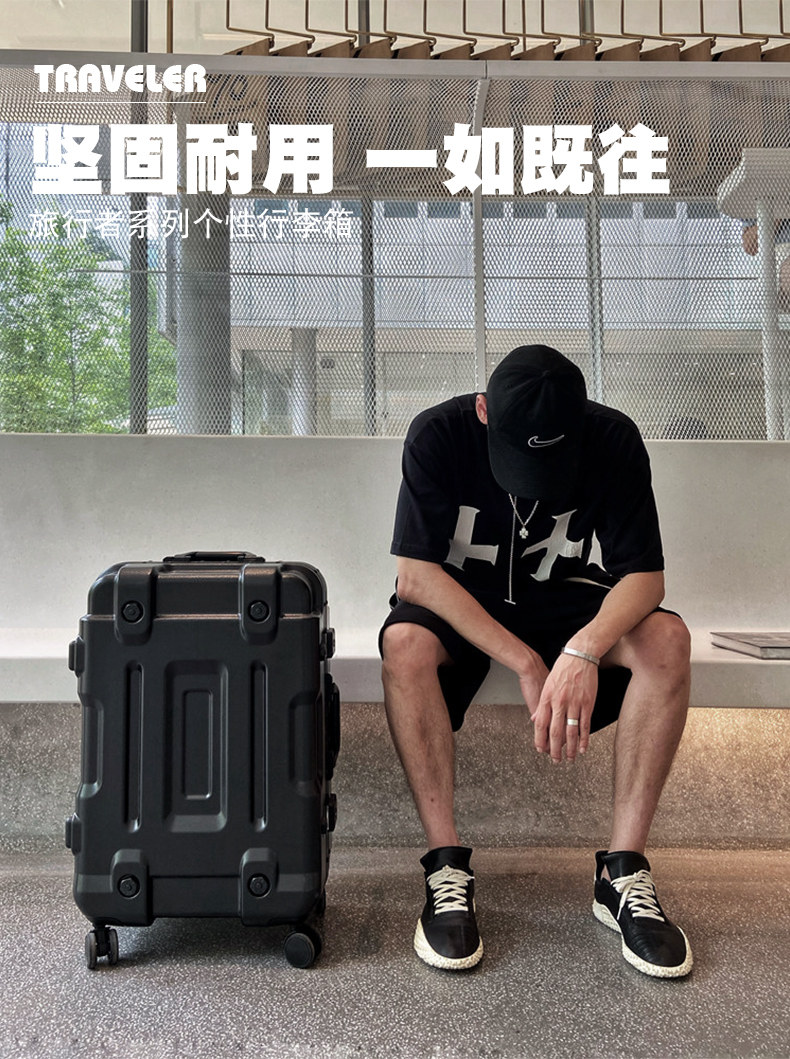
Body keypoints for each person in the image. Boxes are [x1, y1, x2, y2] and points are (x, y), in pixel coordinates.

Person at [379, 344, 693, 979]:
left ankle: (623, 873)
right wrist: (525, 661)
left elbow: (645, 579)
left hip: (564, 603)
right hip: (465, 604)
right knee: (405, 643)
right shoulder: (438, 434)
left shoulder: (613, 438)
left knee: (668, 641)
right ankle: (445, 867)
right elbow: (415, 576)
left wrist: (583, 649)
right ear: (483, 411)